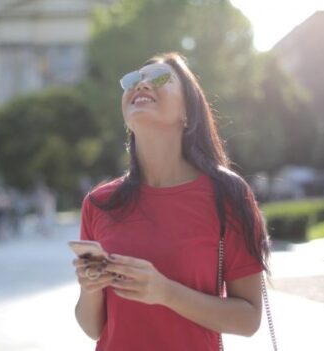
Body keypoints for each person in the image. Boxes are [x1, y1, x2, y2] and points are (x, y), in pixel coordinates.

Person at [72, 52, 271, 351]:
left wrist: (166, 293)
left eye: (160, 78)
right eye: (134, 80)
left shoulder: (228, 195)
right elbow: (92, 327)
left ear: (188, 111)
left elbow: (249, 319)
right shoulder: (99, 203)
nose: (142, 85)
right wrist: (90, 290)